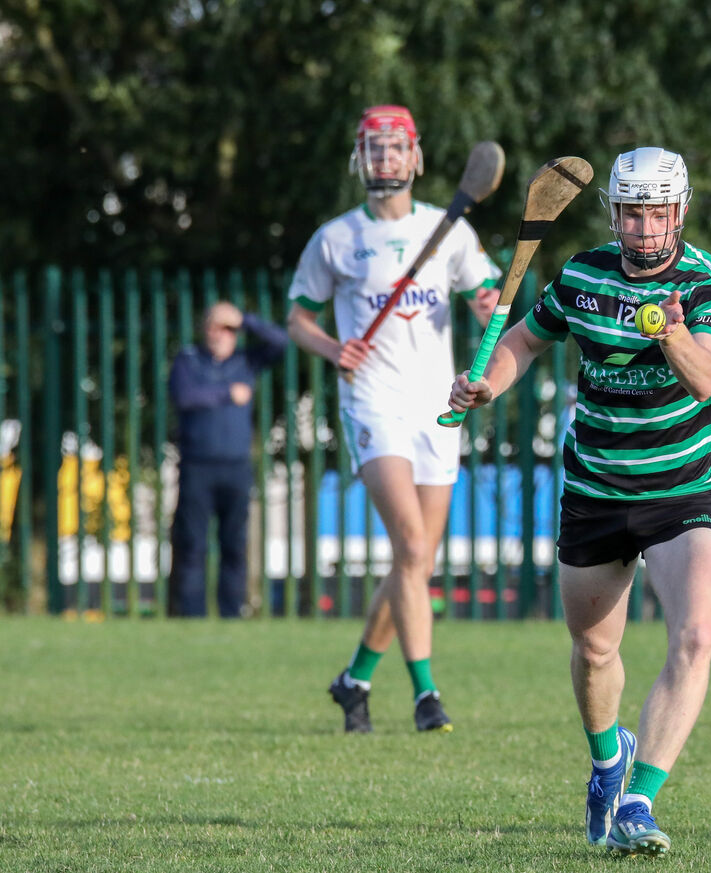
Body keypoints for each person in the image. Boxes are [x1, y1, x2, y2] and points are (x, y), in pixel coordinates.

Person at [448, 146, 711, 856]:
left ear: (681, 211)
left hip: (681, 493)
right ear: (615, 212)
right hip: (596, 493)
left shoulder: (709, 284)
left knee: (697, 635)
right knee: (592, 651)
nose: (644, 228)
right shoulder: (582, 275)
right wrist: (492, 383)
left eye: (657, 213)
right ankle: (608, 761)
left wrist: (671, 330)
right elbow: (525, 338)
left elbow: (707, 377)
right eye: (632, 212)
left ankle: (639, 798)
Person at [287, 105, 500, 734]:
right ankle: (426, 694)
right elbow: (299, 316)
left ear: (415, 157)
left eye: (395, 148)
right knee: (410, 546)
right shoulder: (336, 238)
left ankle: (353, 680)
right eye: (374, 149)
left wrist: (489, 307)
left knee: (416, 562)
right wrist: (333, 348)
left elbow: (484, 295)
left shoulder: (449, 229)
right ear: (360, 159)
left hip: (438, 405)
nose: (385, 159)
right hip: (373, 402)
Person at [168, 300, 288, 618]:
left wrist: (245, 320)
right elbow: (184, 396)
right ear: (204, 329)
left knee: (234, 544)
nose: (220, 334)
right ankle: (191, 615)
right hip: (198, 466)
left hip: (235, 467)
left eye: (227, 329)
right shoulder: (189, 360)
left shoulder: (245, 361)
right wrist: (225, 393)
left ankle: (230, 613)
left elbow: (281, 342)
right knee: (193, 543)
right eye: (215, 326)